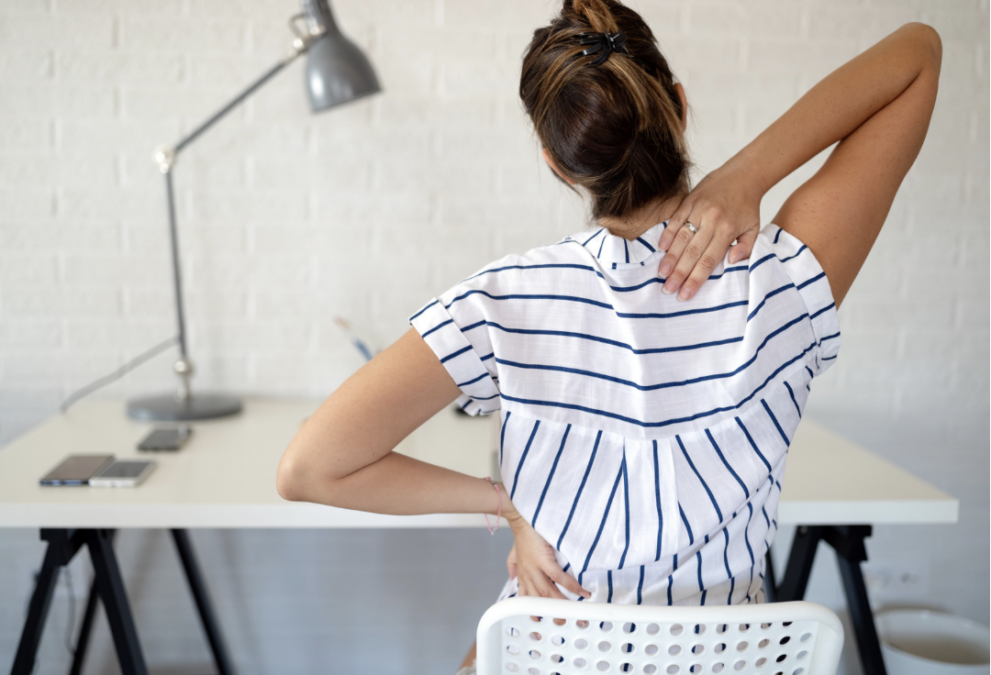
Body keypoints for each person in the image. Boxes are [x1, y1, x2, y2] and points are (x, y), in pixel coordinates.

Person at [276, 1, 941, 672]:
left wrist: (507, 502)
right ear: (679, 107)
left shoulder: (502, 304)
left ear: (559, 166)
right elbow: (917, 53)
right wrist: (747, 174)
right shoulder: (780, 281)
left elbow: (309, 467)